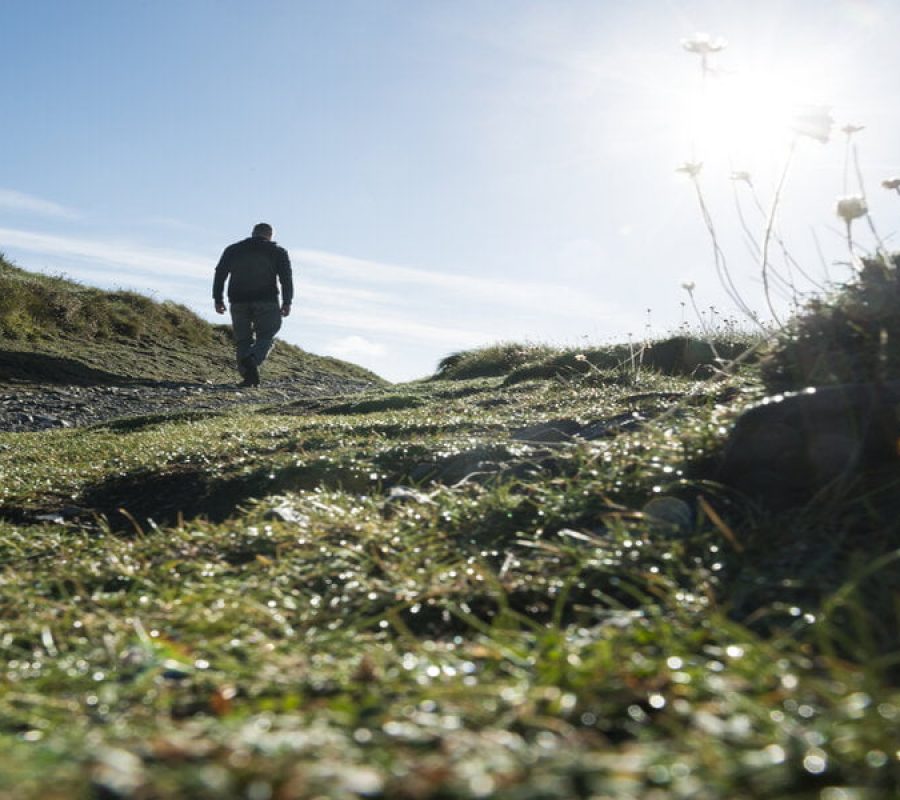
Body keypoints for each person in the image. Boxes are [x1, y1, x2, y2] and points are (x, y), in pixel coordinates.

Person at [213, 222, 294, 387]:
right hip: (266, 301)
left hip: (238, 300)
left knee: (243, 340)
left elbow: (220, 274)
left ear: (253, 233)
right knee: (266, 336)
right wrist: (287, 302)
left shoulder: (233, 249)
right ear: (270, 235)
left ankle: (248, 377)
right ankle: (253, 359)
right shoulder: (277, 251)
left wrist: (218, 299)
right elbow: (286, 279)